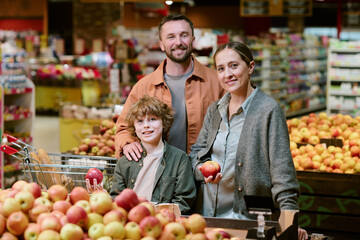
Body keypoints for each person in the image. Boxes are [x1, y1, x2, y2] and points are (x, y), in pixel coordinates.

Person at [188, 41, 308, 239]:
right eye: (221, 68)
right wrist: (202, 171)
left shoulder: (269, 111)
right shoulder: (215, 110)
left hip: (246, 223)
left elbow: (283, 174)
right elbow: (197, 153)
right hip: (207, 219)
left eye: (234, 66)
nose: (228, 74)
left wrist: (290, 222)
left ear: (250, 67)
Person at [115, 14, 225, 161]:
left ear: (193, 40)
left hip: (204, 175)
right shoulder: (144, 87)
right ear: (161, 44)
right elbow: (123, 129)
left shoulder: (217, 82)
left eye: (184, 35)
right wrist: (127, 144)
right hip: (159, 176)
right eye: (171, 37)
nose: (178, 42)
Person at [109, 95, 196, 214]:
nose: (146, 125)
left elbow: (184, 199)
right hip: (132, 221)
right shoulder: (124, 162)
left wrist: (162, 215)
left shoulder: (180, 159)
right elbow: (116, 198)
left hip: (164, 222)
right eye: (140, 121)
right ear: (134, 127)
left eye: (152, 119)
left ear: (164, 123)